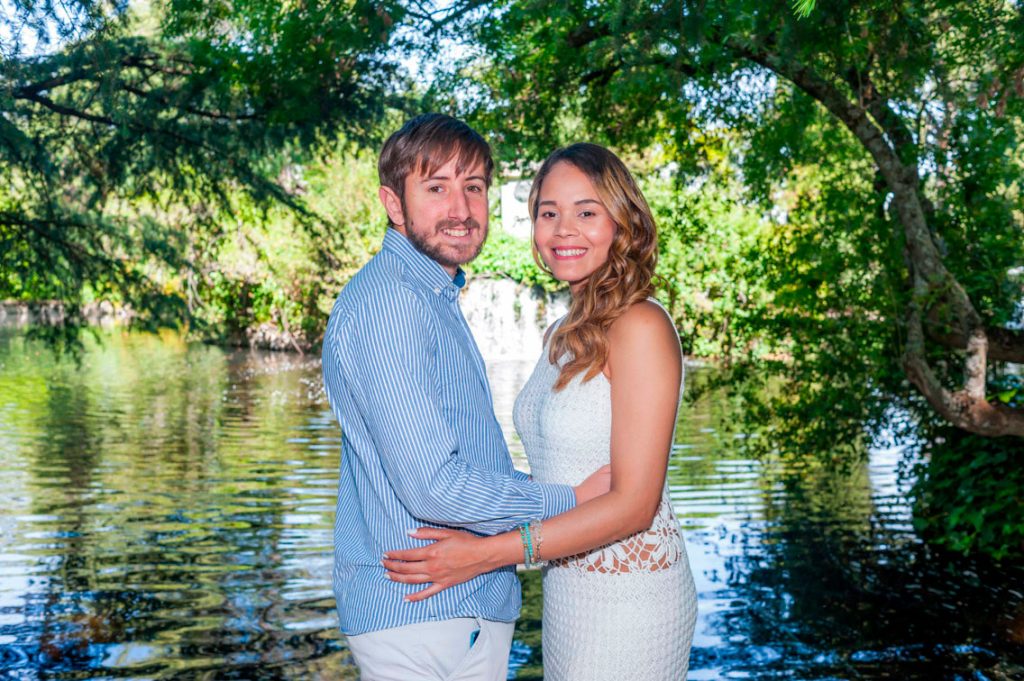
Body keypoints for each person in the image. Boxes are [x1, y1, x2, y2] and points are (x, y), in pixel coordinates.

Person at [383, 142, 699, 680]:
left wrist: (489, 554)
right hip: (568, 582)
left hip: (632, 594)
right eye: (548, 213)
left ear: (623, 223)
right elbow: (561, 472)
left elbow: (635, 505)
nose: (563, 229)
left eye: (586, 212)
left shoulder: (641, 325)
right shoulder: (563, 331)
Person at [320, 115, 611, 681]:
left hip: (445, 610)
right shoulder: (391, 305)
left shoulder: (428, 297)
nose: (461, 208)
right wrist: (570, 501)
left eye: (473, 187)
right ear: (393, 204)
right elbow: (433, 487)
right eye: (437, 188)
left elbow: (464, 463)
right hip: (426, 609)